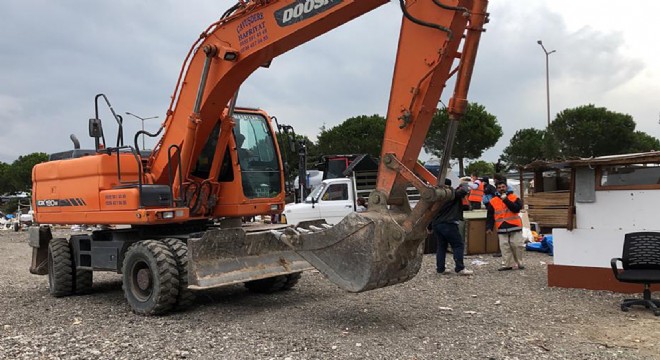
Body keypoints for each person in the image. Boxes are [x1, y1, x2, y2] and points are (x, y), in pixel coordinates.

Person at [429, 178, 473, 276]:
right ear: (449, 186)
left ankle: (440, 269)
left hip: (436, 224)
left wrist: (429, 227)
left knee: (441, 246)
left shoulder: (436, 196)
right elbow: (464, 191)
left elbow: (430, 212)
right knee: (458, 244)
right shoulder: (450, 194)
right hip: (448, 223)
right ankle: (460, 268)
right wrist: (463, 183)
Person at [486, 180, 525, 271]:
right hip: (501, 226)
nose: (501, 189)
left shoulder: (514, 197)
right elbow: (490, 216)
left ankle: (520, 263)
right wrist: (489, 227)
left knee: (517, 245)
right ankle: (507, 264)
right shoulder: (493, 201)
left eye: (503, 187)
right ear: (496, 189)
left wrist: (506, 200)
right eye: (499, 188)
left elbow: (516, 209)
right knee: (504, 246)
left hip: (515, 226)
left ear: (506, 187)